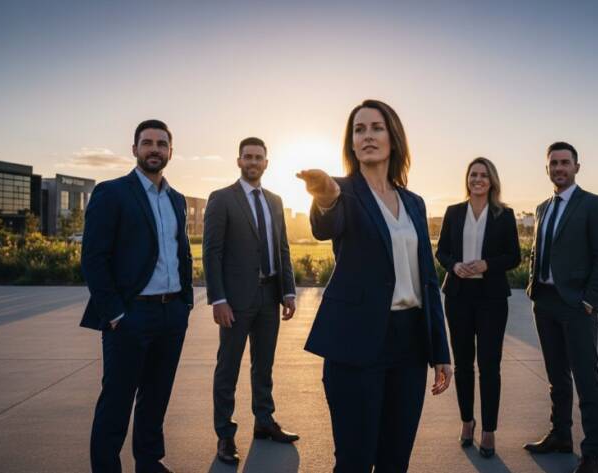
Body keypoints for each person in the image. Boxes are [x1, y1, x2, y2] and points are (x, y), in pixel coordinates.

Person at [297, 99, 452, 473]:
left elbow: (428, 280)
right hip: (356, 343)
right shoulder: (342, 192)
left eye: (376, 128)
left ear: (393, 137)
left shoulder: (414, 203)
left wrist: (440, 350)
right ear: (351, 144)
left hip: (410, 343)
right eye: (359, 130)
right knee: (354, 460)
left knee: (395, 461)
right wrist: (326, 197)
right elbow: (325, 227)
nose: (367, 136)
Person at [81, 119, 193, 473]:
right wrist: (114, 313)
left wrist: (185, 304)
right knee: (116, 401)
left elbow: (181, 253)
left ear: (171, 152)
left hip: (170, 313)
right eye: (147, 143)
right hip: (130, 316)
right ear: (135, 149)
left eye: (162, 144)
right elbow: (93, 259)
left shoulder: (177, 199)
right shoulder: (112, 193)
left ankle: (149, 462)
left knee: (156, 398)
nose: (155, 149)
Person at [203, 137, 298, 465]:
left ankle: (264, 421)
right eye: (248, 157)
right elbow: (211, 252)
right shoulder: (222, 199)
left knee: (264, 364)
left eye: (259, 157)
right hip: (235, 300)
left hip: (270, 295)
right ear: (239, 161)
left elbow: (282, 247)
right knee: (227, 366)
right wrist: (218, 299)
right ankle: (225, 435)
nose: (253, 162)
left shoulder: (275, 200)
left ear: (267, 163)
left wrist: (288, 291)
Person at [523, 142, 598, 473]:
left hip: (577, 306)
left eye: (565, 162)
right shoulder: (541, 208)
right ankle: (561, 434)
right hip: (545, 302)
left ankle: (592, 454)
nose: (559, 168)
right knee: (556, 377)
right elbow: (539, 250)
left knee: (586, 379)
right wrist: (533, 288)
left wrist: (590, 300)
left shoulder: (593, 205)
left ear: (577, 166)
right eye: (553, 163)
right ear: (546, 168)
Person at [435, 157, 520, 457]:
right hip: (458, 296)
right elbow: (441, 251)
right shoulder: (453, 212)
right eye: (473, 175)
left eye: (484, 175)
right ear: (467, 179)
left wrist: (487, 264)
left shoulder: (504, 214)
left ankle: (489, 430)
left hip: (492, 299)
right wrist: (454, 265)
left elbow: (514, 256)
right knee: (463, 365)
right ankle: (467, 422)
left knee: (489, 366)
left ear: (492, 180)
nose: (478, 179)